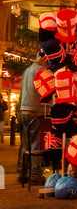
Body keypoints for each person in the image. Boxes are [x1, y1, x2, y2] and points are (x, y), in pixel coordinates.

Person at [16, 52, 48, 184]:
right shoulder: (43, 72)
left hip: (25, 109)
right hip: (37, 110)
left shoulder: (28, 70)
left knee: (26, 142)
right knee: (36, 144)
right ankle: (35, 174)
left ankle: (22, 171)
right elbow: (47, 93)